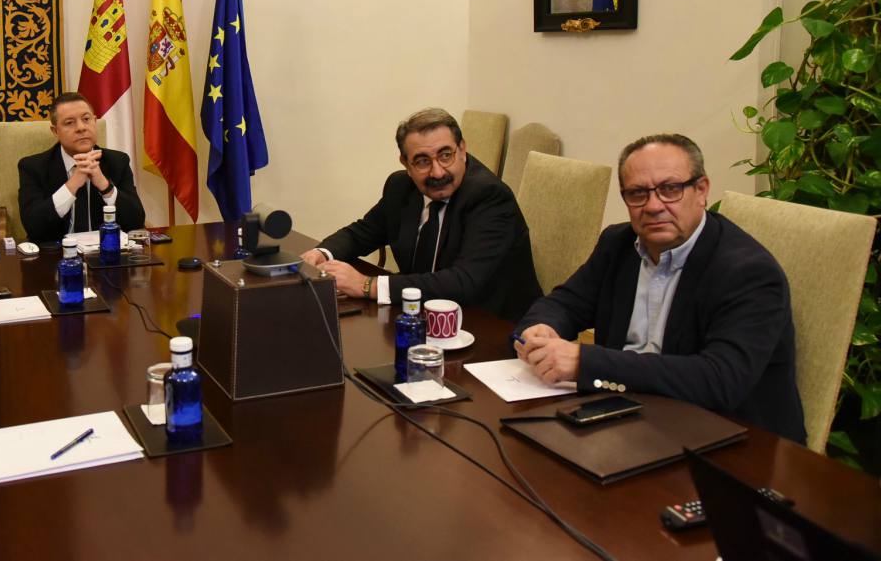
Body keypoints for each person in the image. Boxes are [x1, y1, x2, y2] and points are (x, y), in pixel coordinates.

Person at [513, 134, 806, 443]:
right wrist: (541, 327)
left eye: (670, 189)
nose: (653, 206)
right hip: (626, 420)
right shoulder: (619, 244)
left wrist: (585, 362)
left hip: (732, 442)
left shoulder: (748, 272)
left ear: (702, 190)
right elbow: (565, 302)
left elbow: (720, 380)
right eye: (638, 193)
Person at [300, 108, 541, 320]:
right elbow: (362, 233)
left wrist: (367, 285)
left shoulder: (489, 197)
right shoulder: (400, 186)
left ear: (463, 150)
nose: (437, 172)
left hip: (491, 325)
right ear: (406, 164)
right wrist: (321, 253)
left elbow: (463, 282)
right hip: (421, 317)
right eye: (423, 161)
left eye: (446, 155)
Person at [18, 92, 145, 243]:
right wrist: (72, 184)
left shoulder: (117, 161)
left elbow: (136, 221)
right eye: (69, 123)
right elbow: (33, 227)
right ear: (55, 131)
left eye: (86, 119)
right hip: (56, 257)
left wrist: (105, 186)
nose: (81, 128)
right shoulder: (33, 167)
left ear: (95, 121)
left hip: (108, 253)